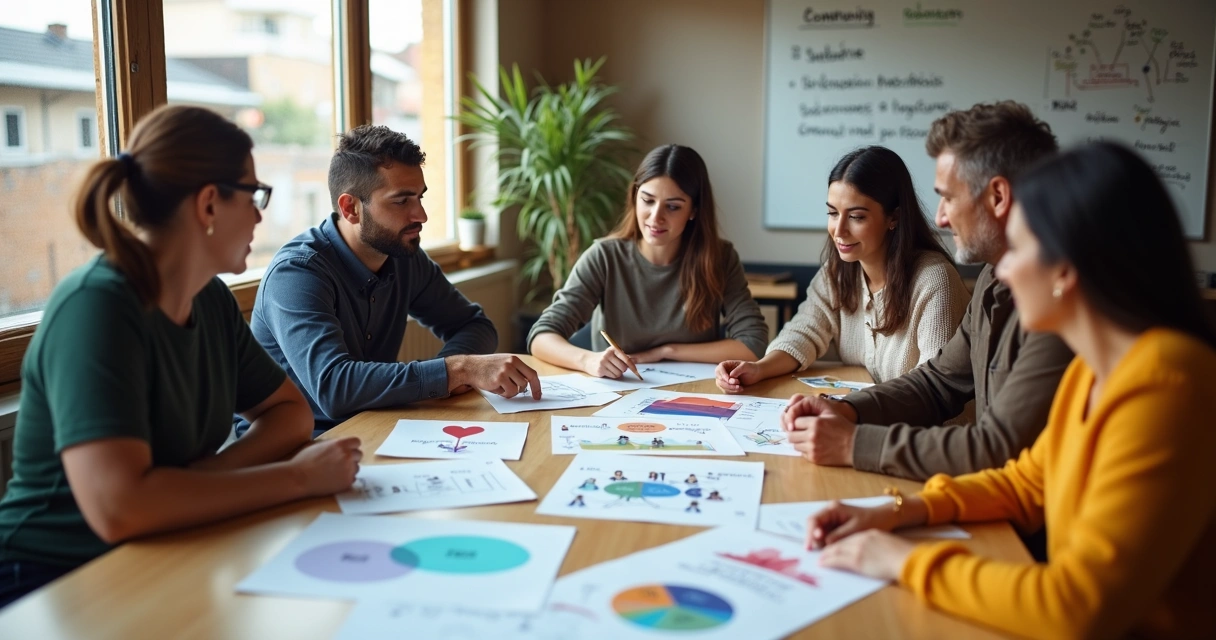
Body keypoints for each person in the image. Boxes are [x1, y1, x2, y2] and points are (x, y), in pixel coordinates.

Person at [808, 142, 1216, 639]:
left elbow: (1076, 606)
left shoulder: (1166, 384)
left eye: (1018, 249)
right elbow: (1025, 482)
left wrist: (905, 560)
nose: (1001, 272)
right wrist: (899, 510)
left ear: (1065, 272)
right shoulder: (1096, 370)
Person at [0, 106, 361, 609]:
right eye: (254, 195)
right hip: (49, 578)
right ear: (209, 204)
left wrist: (193, 485)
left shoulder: (208, 297)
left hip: (164, 541)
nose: (260, 215)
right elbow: (121, 510)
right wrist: (299, 477)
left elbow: (289, 414)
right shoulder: (97, 306)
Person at [781, 102, 1074, 480]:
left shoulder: (1059, 304)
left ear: (998, 196)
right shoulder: (990, 279)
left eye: (949, 197)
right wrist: (847, 409)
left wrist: (852, 443)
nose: (939, 217)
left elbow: (998, 447)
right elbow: (939, 381)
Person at [247, 125, 540, 434]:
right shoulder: (297, 274)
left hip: (375, 425)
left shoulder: (403, 256)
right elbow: (335, 388)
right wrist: (458, 370)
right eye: (401, 201)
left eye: (420, 197)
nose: (421, 215)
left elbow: (474, 325)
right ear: (351, 208)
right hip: (300, 444)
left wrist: (453, 378)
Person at [717, 146, 969, 391]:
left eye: (856, 217)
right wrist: (759, 368)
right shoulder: (838, 271)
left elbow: (934, 392)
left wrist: (854, 413)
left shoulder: (935, 281)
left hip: (922, 431)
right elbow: (804, 332)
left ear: (894, 217)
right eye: (832, 213)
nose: (838, 231)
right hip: (874, 420)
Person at [529, 144, 768, 378]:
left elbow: (753, 344)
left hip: (695, 394)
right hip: (618, 394)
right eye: (647, 200)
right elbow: (541, 336)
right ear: (634, 198)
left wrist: (666, 352)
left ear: (693, 211)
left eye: (673, 206)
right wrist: (588, 360)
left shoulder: (719, 258)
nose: (656, 218)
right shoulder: (604, 256)